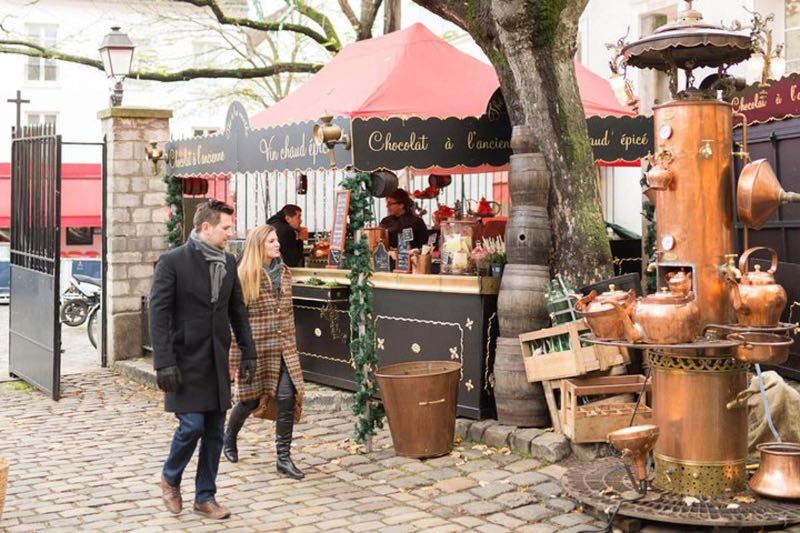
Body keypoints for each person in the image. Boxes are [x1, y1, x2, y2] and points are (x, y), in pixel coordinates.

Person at [150, 200, 257, 520]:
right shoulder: (172, 261)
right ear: (206, 227)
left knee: (214, 431)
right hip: (184, 359)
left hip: (216, 358)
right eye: (226, 227)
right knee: (192, 425)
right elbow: (158, 313)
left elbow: (237, 310)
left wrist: (248, 351)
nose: (231, 233)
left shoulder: (228, 261)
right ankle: (170, 478)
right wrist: (163, 362)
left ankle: (205, 496)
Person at [223, 224, 306, 480]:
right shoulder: (244, 275)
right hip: (256, 348)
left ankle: (283, 457)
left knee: (286, 397)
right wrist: (235, 360)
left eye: (276, 240)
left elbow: (288, 312)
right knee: (249, 400)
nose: (277, 244)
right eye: (271, 241)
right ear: (259, 245)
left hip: (283, 348)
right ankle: (229, 437)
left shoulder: (284, 272)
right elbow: (236, 319)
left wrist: (291, 343)